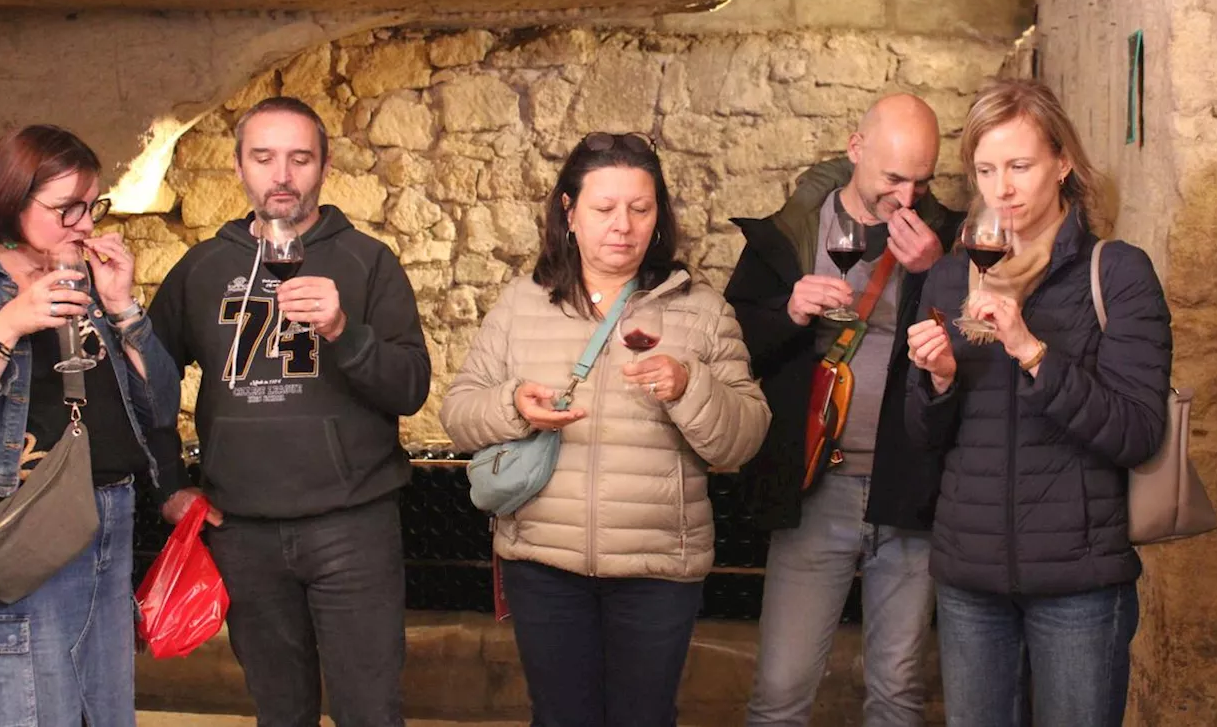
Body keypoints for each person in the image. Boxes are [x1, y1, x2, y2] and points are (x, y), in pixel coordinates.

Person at [440, 131, 771, 727]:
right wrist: (515, 404)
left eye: (640, 209)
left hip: (658, 571)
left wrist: (689, 384)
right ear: (569, 213)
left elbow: (743, 439)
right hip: (542, 564)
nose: (624, 225)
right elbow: (459, 414)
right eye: (604, 208)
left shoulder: (701, 310)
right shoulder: (522, 304)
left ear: (658, 217)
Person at [148, 96, 431, 727]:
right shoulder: (202, 267)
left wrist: (342, 331)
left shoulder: (368, 261)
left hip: (353, 525)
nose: (282, 175)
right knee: (280, 713)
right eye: (264, 157)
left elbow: (411, 386)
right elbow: (146, 386)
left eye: (300, 158)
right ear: (239, 166)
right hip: (241, 530)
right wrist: (169, 486)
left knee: (372, 711)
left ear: (324, 167)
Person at [905, 79, 1172, 727]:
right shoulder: (949, 275)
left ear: (1063, 163)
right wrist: (936, 381)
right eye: (987, 169)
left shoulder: (1116, 273)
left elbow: (1138, 432)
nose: (1003, 188)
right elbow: (921, 439)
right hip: (969, 580)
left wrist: (1031, 349)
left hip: (1079, 584)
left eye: (1021, 165)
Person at [726, 93, 962, 726]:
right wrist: (790, 312)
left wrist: (937, 275)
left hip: (910, 490)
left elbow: (973, 351)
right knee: (781, 690)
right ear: (856, 150)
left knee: (898, 691)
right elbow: (731, 342)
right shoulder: (791, 234)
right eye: (892, 179)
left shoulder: (952, 240)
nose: (907, 199)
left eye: (922, 181)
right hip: (817, 487)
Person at [0, 125, 180, 726]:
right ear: (10, 198)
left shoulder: (82, 279)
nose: (85, 225)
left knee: (103, 713)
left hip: (108, 519)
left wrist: (123, 307)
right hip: (21, 525)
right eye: (67, 210)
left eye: (92, 206)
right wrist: (7, 325)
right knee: (30, 710)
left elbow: (160, 407)